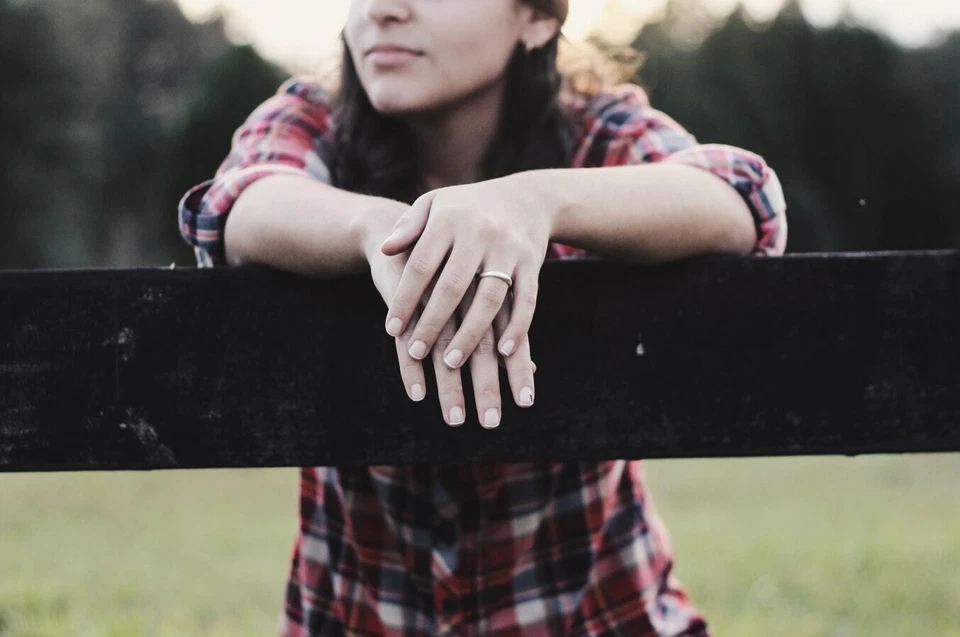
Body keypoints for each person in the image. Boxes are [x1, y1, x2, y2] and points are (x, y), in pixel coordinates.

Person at [178, 0, 787, 634]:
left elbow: (740, 195)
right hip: (361, 616)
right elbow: (237, 202)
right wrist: (386, 229)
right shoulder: (316, 119)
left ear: (537, 18)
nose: (383, 10)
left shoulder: (591, 130)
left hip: (598, 614)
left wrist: (536, 200)